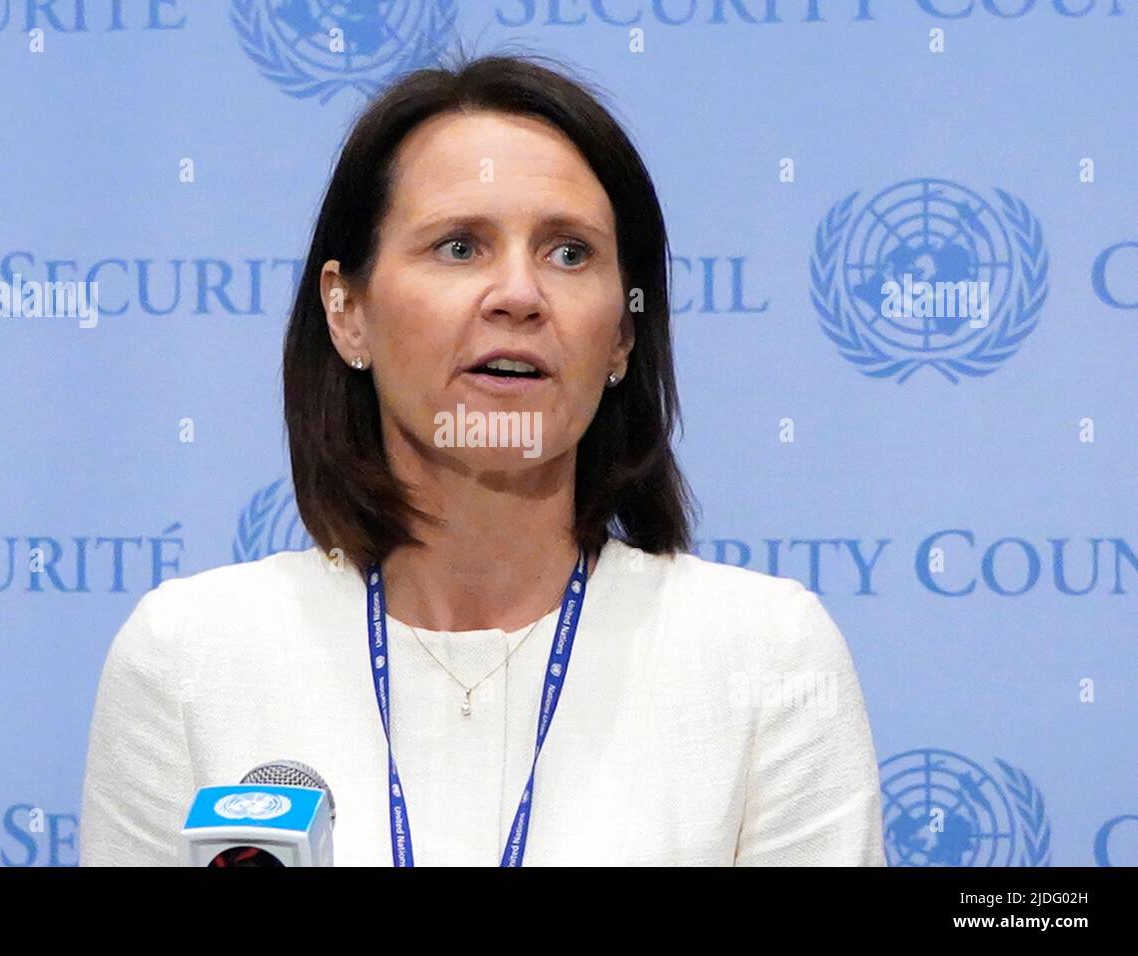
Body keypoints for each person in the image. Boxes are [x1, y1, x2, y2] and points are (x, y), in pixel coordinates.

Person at [79, 50, 886, 867]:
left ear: (623, 335)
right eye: (461, 247)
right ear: (347, 310)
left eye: (569, 253)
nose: (518, 294)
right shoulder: (191, 656)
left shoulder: (765, 657)